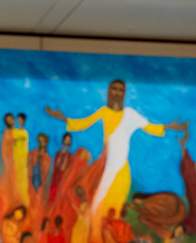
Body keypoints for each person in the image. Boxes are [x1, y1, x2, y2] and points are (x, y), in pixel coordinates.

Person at [45, 79, 183, 219]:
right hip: (107, 163)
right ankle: (95, 226)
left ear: (124, 94)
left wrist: (169, 126)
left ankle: (114, 227)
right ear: (109, 92)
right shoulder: (104, 111)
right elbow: (85, 122)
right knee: (100, 197)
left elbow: (150, 127)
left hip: (122, 166)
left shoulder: (130, 114)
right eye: (114, 89)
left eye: (121, 90)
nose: (117, 92)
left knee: (118, 199)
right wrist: (63, 118)